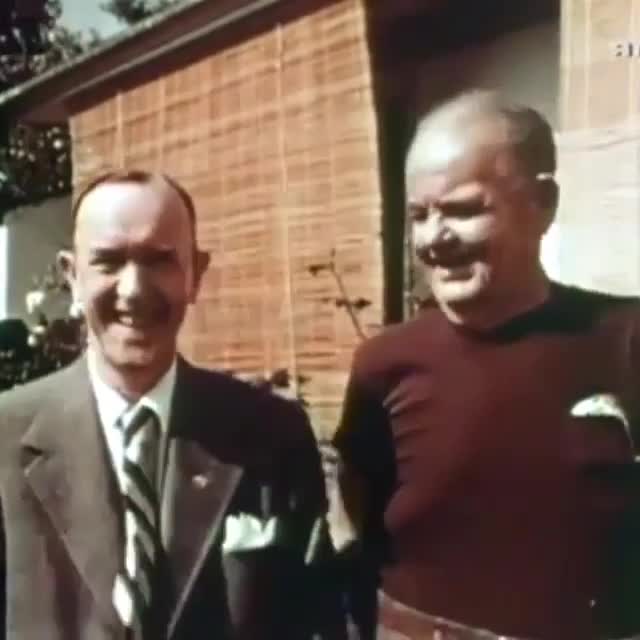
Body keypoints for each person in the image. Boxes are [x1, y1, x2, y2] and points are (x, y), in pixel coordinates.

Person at [330, 91, 640, 640]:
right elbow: (355, 524)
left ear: (542, 202)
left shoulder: (623, 339)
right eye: (419, 215)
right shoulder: (385, 365)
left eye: (463, 210)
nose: (434, 238)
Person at [0, 169, 344, 639]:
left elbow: (315, 620)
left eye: (159, 260)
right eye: (108, 261)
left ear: (194, 274)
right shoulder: (7, 435)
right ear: (72, 277)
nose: (134, 289)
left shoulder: (270, 433)